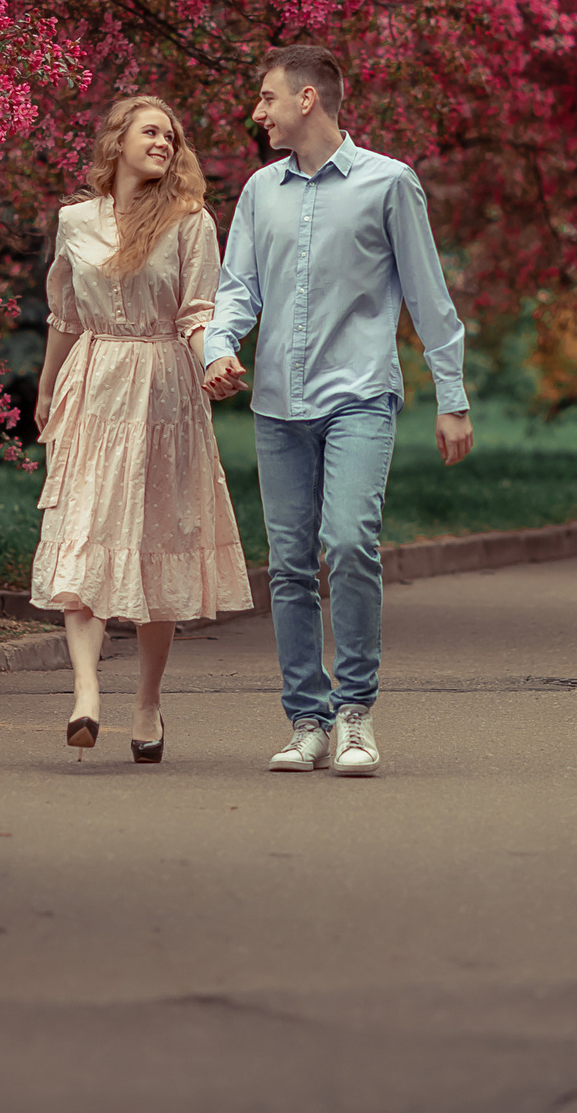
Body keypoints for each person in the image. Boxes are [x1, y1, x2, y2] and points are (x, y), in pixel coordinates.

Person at [202, 45, 472, 777]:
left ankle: (355, 713)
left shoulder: (389, 183)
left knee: (348, 542)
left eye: (266, 98)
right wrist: (217, 345)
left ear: (308, 100)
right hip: (277, 407)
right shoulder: (260, 191)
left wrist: (452, 397)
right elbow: (238, 287)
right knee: (288, 564)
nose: (257, 113)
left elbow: (428, 296)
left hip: (359, 396)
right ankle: (306, 719)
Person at [31, 96, 254, 762]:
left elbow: (196, 312)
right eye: (150, 131)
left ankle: (149, 704)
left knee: (157, 545)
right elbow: (65, 317)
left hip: (165, 395)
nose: (163, 141)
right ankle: (86, 693)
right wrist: (45, 387)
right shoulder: (75, 221)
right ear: (117, 140)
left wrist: (213, 360)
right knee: (82, 532)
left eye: (170, 134)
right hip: (93, 389)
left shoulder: (190, 222)